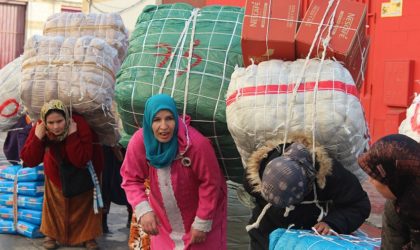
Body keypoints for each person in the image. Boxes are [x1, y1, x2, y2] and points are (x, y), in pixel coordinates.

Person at [120, 94, 227, 249]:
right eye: (157, 120)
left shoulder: (196, 145)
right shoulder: (140, 141)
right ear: (149, 121)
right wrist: (143, 209)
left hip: (201, 215)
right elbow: (130, 179)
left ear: (176, 119)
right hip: (163, 222)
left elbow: (210, 182)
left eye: (169, 118)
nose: (164, 126)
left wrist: (202, 221)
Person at [244, 134, 371, 250]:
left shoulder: (330, 174)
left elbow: (358, 205)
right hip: (267, 234)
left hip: (310, 239)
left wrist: (332, 223)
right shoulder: (255, 172)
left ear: (309, 182)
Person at [20, 100, 103, 250]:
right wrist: (38, 137)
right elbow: (29, 159)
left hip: (84, 171)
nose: (55, 127)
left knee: (84, 207)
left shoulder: (79, 124)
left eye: (59, 121)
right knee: (54, 205)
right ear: (45, 121)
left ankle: (88, 237)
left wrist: (72, 135)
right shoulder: (40, 126)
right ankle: (51, 235)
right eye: (51, 123)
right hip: (55, 170)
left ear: (67, 118)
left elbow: (82, 159)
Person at [358, 134, 420, 250]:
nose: (370, 181)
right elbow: (391, 245)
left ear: (394, 178)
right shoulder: (396, 207)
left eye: (375, 177)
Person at [101, 144, 132, 233]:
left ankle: (132, 216)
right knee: (105, 184)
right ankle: (102, 221)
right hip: (107, 149)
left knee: (128, 182)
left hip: (124, 149)